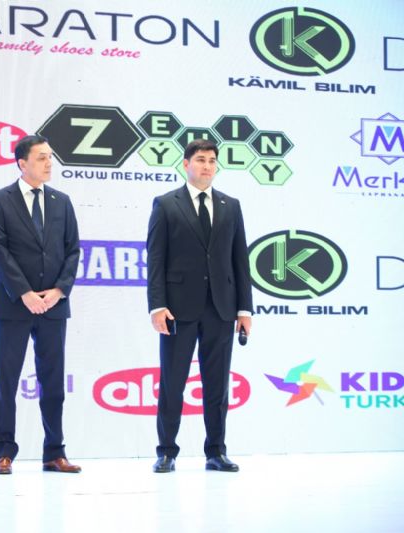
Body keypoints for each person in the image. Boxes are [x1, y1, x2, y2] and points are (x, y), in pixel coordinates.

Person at [146, 138, 253, 473]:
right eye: (201, 160)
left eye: (212, 161)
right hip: (178, 310)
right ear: (186, 164)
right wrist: (157, 305)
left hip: (221, 309)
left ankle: (216, 452)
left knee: (217, 385)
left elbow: (240, 260)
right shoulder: (166, 204)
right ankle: (166, 451)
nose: (207, 166)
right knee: (173, 383)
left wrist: (245, 310)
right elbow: (155, 260)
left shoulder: (231, 205)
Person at [0, 134, 81, 475]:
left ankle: (54, 452)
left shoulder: (62, 201)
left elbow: (73, 250)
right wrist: (24, 293)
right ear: (22, 163)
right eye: (42, 157)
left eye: (50, 156)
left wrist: (59, 290)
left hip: (54, 306)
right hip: (13, 305)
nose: (49, 162)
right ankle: (3, 451)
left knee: (53, 382)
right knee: (6, 380)